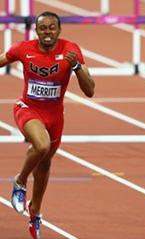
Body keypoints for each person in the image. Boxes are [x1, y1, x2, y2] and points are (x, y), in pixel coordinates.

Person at [0, 11, 95, 238]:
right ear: (37, 31)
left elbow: (90, 90)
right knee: (41, 146)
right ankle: (20, 181)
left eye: (52, 28)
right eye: (43, 28)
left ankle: (35, 212)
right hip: (28, 109)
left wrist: (77, 68)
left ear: (59, 30)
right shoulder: (23, 49)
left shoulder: (71, 50)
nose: (48, 32)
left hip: (55, 117)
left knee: (44, 164)